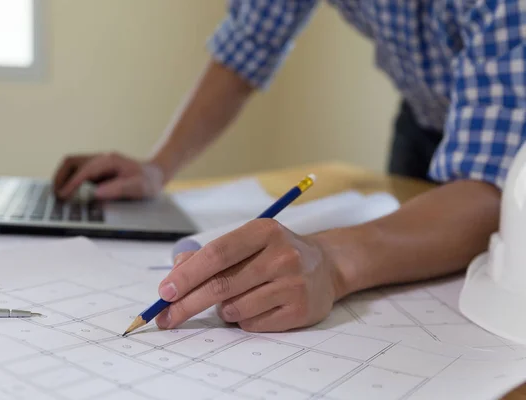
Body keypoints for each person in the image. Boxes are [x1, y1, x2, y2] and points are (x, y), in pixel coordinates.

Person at [52, 1, 525, 333]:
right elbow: (248, 42)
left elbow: (490, 194)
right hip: (425, 116)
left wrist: (335, 263)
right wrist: (158, 166)